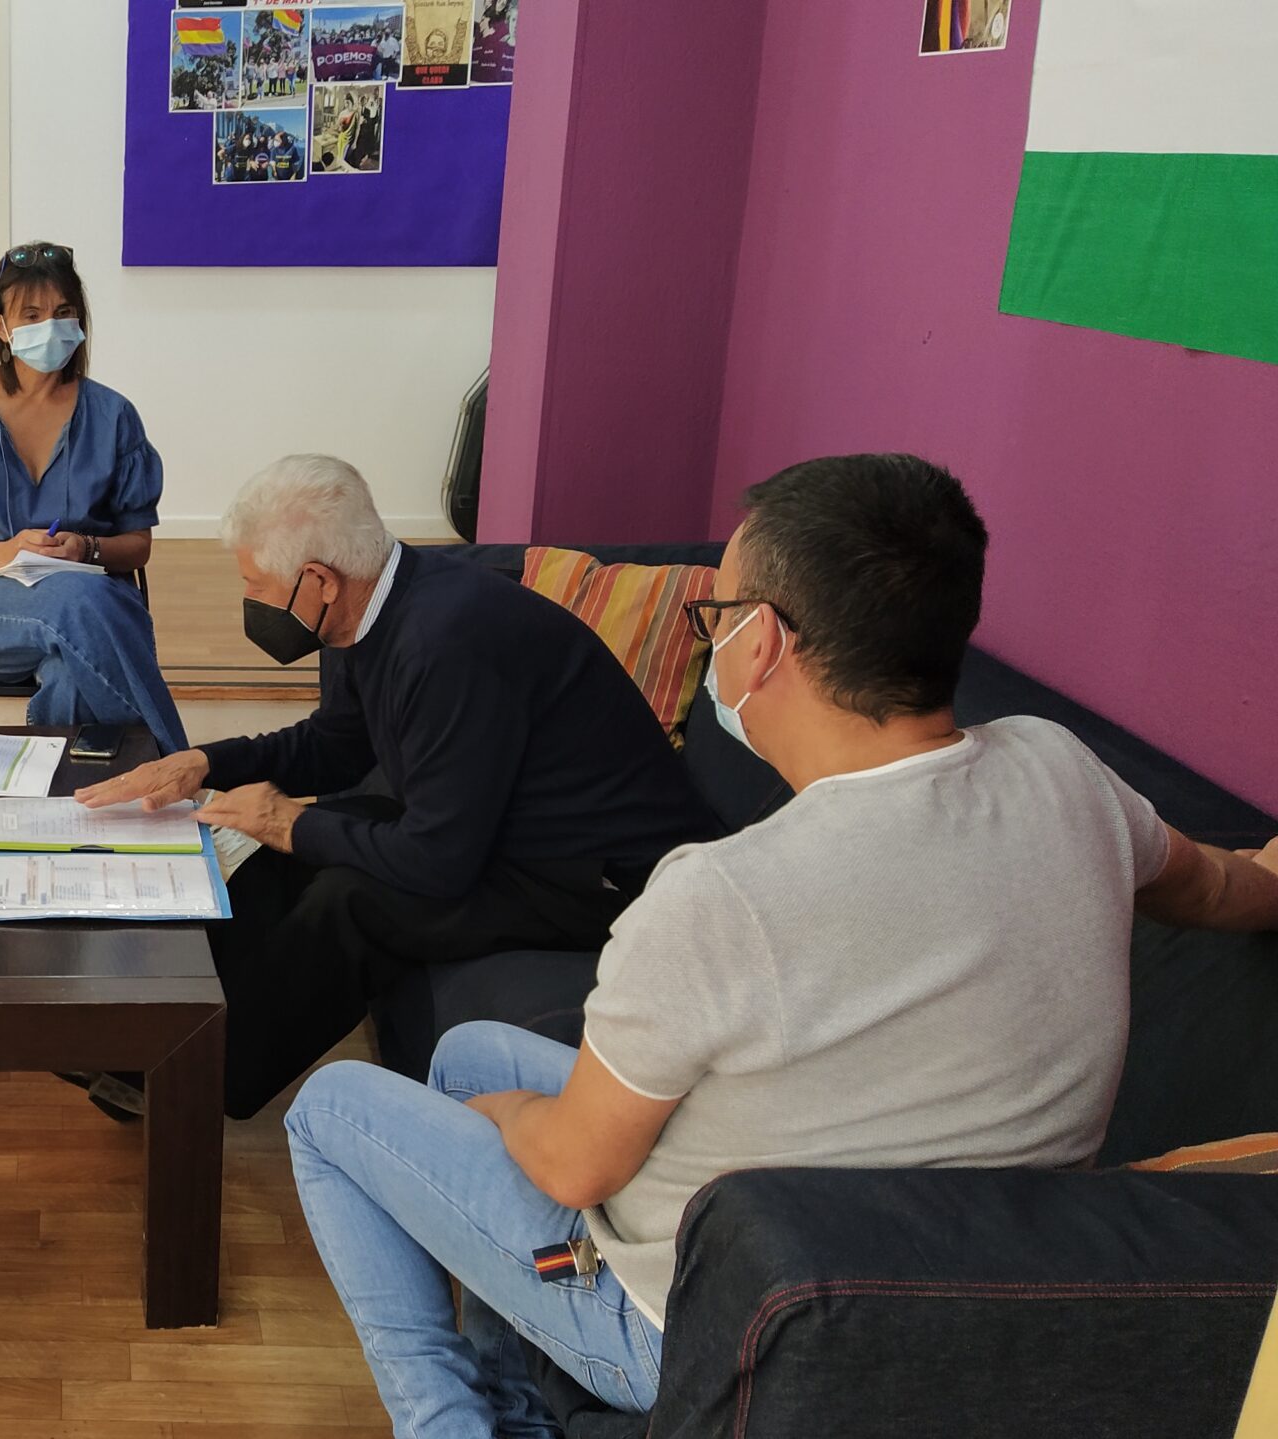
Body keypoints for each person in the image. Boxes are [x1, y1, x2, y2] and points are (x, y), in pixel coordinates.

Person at [284, 454, 1278, 1437]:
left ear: (758, 641)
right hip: (933, 1264)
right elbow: (1221, 887)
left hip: (702, 1317)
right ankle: (514, 1408)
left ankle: (443, 1424)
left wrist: (509, 1117)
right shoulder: (1067, 776)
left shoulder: (716, 895)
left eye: (714, 616)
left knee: (330, 1108)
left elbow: (575, 1168)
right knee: (467, 1053)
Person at [78, 456, 716, 1121]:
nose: (251, 600)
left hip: (609, 884)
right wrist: (207, 762)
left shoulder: (445, 642)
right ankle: (170, 1037)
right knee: (287, 852)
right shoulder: (382, 606)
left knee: (349, 900)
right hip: (512, 834)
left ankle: (198, 1081)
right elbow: (335, 745)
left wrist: (290, 821)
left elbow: (438, 861)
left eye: (255, 584)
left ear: (318, 580)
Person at [0, 242, 188, 754]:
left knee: (70, 667)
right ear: (0, 326)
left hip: (92, 604)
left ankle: (60, 792)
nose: (51, 326)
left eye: (63, 312)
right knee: (79, 603)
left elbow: (137, 547)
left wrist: (87, 549)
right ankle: (178, 768)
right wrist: (4, 552)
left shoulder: (114, 415)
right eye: (32, 315)